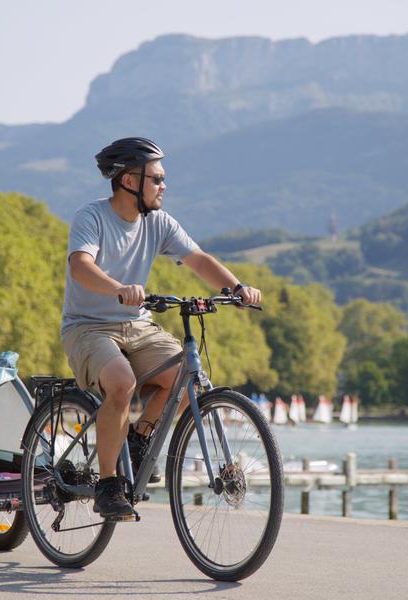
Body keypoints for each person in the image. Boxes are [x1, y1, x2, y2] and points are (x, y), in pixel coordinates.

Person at [61, 137, 261, 519]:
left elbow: (198, 259)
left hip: (137, 324)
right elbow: (80, 266)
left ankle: (138, 439)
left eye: (163, 178)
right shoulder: (92, 217)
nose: (163, 186)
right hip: (88, 328)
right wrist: (118, 288)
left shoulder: (159, 223)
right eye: (156, 178)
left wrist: (237, 288)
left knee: (188, 374)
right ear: (129, 181)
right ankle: (107, 485)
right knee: (121, 382)